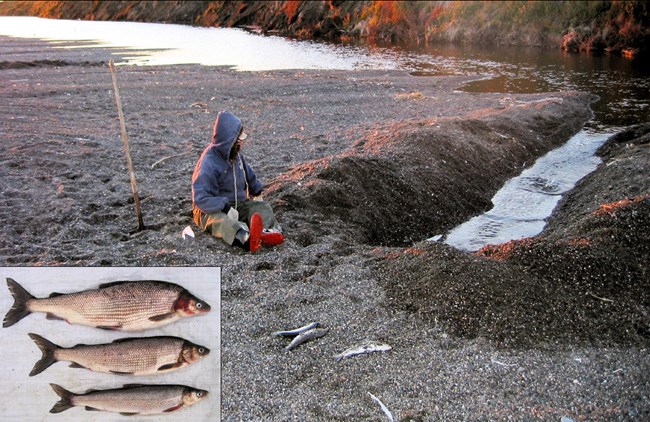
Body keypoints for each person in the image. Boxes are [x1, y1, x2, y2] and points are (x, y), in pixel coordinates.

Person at [192, 111, 284, 252]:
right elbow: (201, 197)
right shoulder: (208, 162)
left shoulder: (235, 154)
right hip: (211, 209)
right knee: (222, 222)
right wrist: (224, 207)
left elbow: (248, 172)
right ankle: (245, 239)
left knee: (262, 208)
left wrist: (256, 190)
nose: (241, 142)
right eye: (238, 139)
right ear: (229, 139)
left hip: (238, 203)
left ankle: (267, 231)